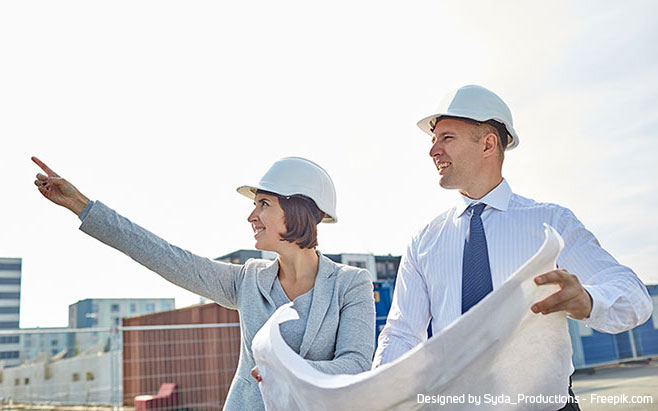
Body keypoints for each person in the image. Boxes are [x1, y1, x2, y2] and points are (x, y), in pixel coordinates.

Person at [372, 85, 652, 410]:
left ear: (488, 144)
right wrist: (379, 398)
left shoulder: (551, 223)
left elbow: (633, 296)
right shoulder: (424, 241)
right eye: (433, 141)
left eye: (446, 138)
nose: (433, 151)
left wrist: (588, 301)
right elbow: (403, 333)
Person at [32, 156, 376, 411]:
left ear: (298, 210)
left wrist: (283, 370)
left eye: (264, 204)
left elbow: (355, 364)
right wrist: (82, 206)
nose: (251, 216)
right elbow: (166, 257)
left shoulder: (351, 284)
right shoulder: (247, 280)